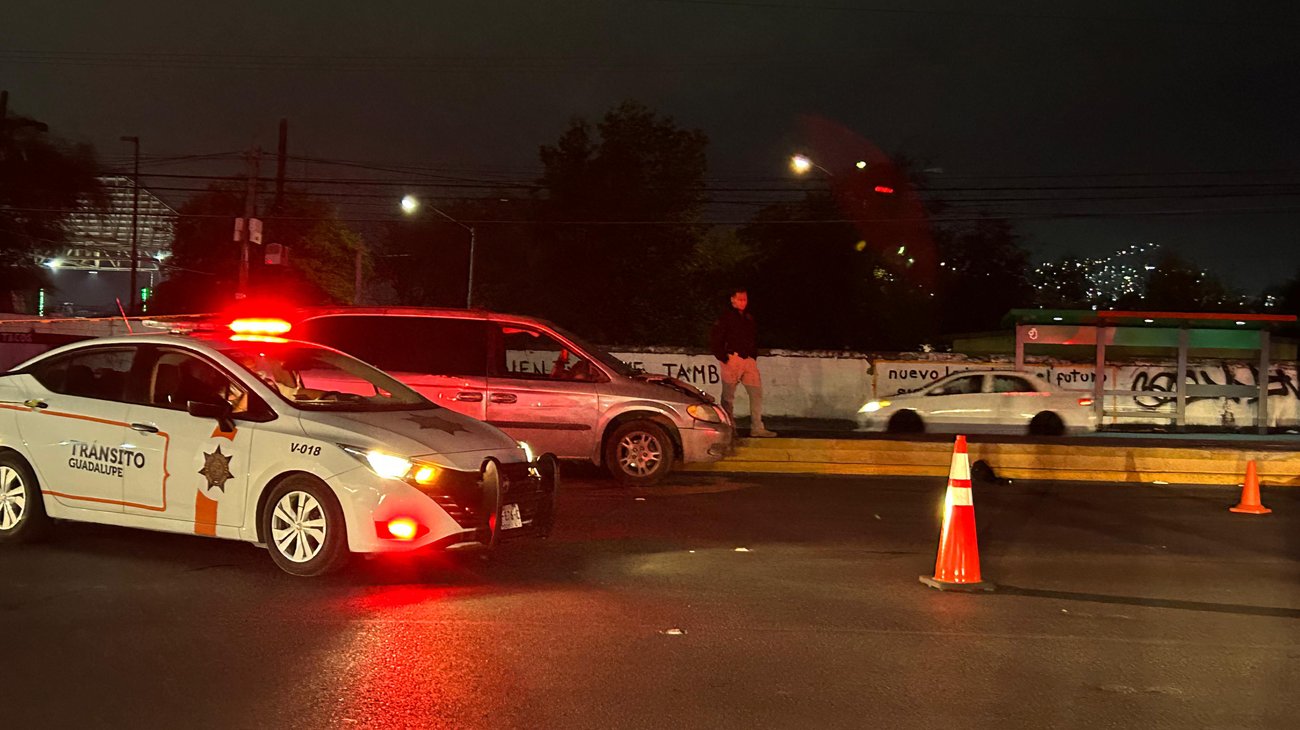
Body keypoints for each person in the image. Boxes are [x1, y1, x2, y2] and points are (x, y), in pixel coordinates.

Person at [711, 287, 776, 437]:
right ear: (732, 300)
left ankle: (757, 427)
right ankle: (729, 429)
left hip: (748, 360)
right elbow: (715, 339)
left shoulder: (748, 317)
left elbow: (753, 338)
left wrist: (753, 356)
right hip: (732, 358)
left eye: (745, 299)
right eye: (740, 299)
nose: (743, 302)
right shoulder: (726, 317)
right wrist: (724, 358)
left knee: (756, 393)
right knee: (728, 397)